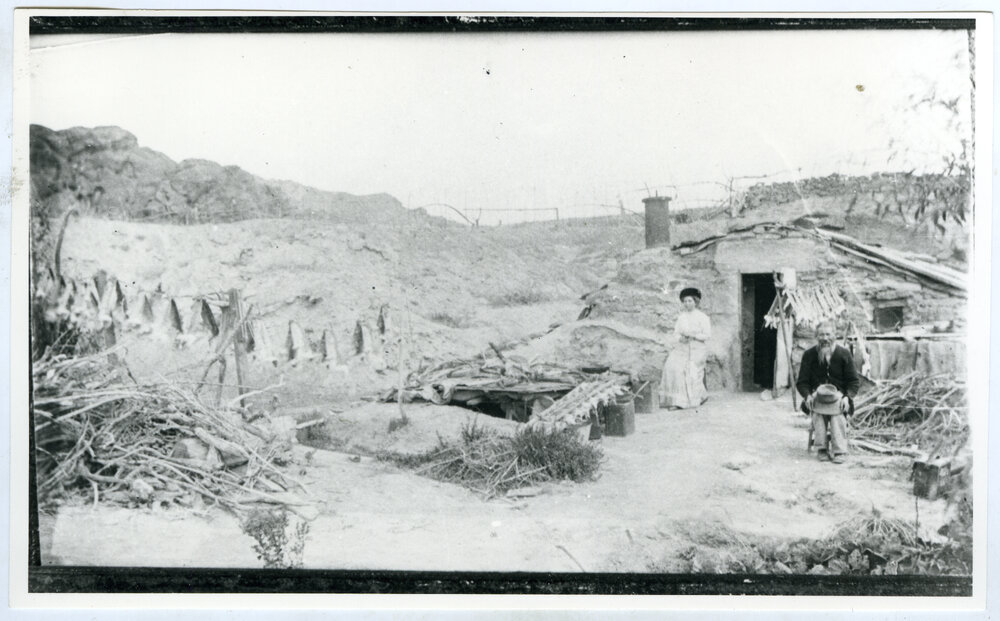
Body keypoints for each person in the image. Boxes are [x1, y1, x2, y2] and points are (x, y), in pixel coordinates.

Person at [796, 321, 860, 464]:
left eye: (828, 334)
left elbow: (854, 382)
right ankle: (822, 449)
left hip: (839, 398)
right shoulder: (809, 355)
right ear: (816, 337)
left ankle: (839, 451)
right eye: (821, 335)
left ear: (835, 335)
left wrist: (847, 397)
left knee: (837, 415)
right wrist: (807, 395)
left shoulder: (844, 354)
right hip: (816, 398)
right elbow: (802, 382)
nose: (825, 338)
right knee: (818, 413)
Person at [660, 287, 711, 409]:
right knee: (671, 366)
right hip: (683, 347)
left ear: (696, 302)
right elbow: (676, 333)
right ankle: (678, 399)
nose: (687, 304)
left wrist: (693, 336)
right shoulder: (681, 317)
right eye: (685, 301)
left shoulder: (703, 317)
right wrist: (680, 339)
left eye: (690, 301)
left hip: (697, 349)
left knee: (689, 370)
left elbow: (707, 335)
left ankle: (683, 402)